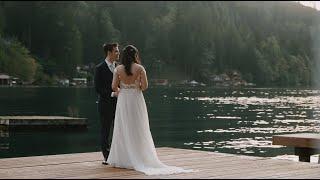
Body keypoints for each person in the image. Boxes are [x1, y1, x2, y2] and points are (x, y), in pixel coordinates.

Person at [107, 45, 194, 175]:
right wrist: (135, 86)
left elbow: (114, 87)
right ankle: (139, 156)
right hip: (136, 100)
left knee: (123, 127)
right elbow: (144, 87)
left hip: (123, 100)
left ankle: (123, 159)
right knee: (139, 127)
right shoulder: (140, 68)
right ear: (135, 55)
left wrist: (123, 90)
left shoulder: (118, 69)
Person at [94, 43, 120, 165]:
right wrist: (112, 94)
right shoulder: (100, 68)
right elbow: (98, 88)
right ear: (109, 52)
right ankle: (107, 157)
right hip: (105, 105)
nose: (118, 53)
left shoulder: (119, 67)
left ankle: (118, 154)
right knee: (105, 130)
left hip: (119, 105)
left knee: (119, 130)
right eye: (116, 51)